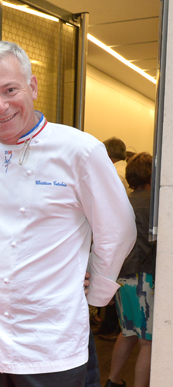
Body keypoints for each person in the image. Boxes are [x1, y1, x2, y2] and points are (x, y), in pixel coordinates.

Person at [0, 41, 137, 386]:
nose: (0, 106)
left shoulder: (80, 150)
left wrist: (94, 291)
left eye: (10, 89)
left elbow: (118, 231)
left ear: (33, 86)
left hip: (51, 343)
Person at [106, 152, 155, 387]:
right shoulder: (156, 205)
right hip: (145, 278)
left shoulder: (122, 202)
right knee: (148, 341)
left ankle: (112, 380)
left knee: (127, 334)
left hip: (122, 278)